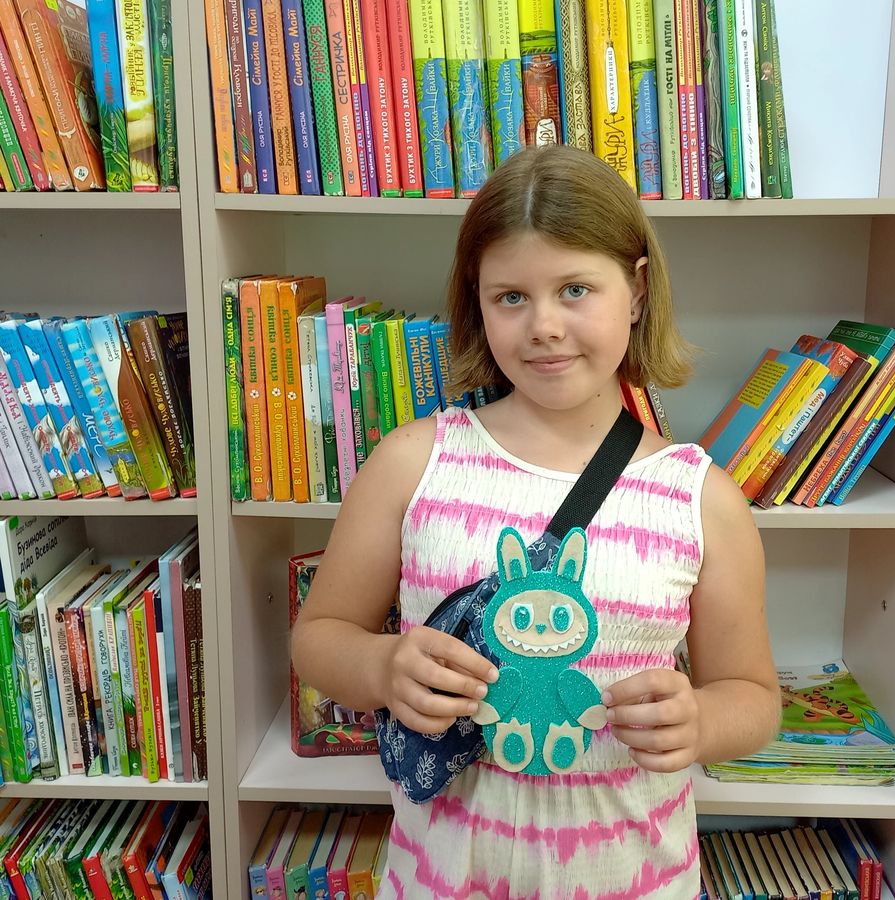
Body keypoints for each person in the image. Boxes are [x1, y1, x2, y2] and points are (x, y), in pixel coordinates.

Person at [292, 145, 779, 899]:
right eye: (511, 297)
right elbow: (319, 638)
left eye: (575, 289)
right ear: (477, 302)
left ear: (637, 291)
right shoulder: (411, 463)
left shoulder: (701, 498)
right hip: (439, 883)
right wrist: (383, 669)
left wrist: (702, 721)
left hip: (640, 882)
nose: (544, 326)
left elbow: (753, 697)